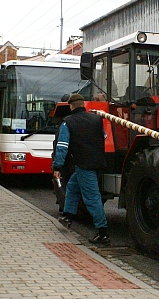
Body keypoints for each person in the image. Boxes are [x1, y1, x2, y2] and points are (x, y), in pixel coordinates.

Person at [51, 93, 110, 244]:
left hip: (83, 164)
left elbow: (62, 146)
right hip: (97, 161)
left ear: (71, 106)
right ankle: (68, 216)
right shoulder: (96, 119)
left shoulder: (68, 122)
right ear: (83, 104)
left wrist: (57, 166)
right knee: (72, 186)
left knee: (92, 198)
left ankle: (102, 232)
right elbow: (103, 137)